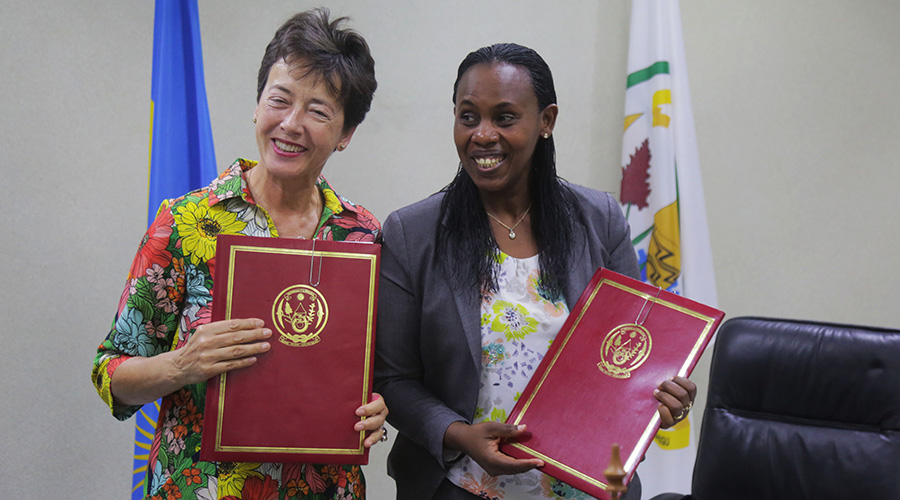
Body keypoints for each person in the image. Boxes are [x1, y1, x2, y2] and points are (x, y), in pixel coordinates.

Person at [374, 43, 697, 500]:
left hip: (587, 486)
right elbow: (392, 379)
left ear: (546, 121)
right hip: (461, 485)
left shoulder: (599, 218)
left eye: (505, 117)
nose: (483, 135)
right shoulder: (412, 232)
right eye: (468, 117)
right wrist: (459, 435)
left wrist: (662, 397)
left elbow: (635, 352)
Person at [92, 9, 386, 500]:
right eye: (280, 100)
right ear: (257, 106)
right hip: (202, 488)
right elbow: (111, 373)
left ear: (346, 135)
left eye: (318, 111)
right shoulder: (186, 222)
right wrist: (183, 364)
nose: (291, 124)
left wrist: (377, 407)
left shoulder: (362, 235)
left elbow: (367, 370)